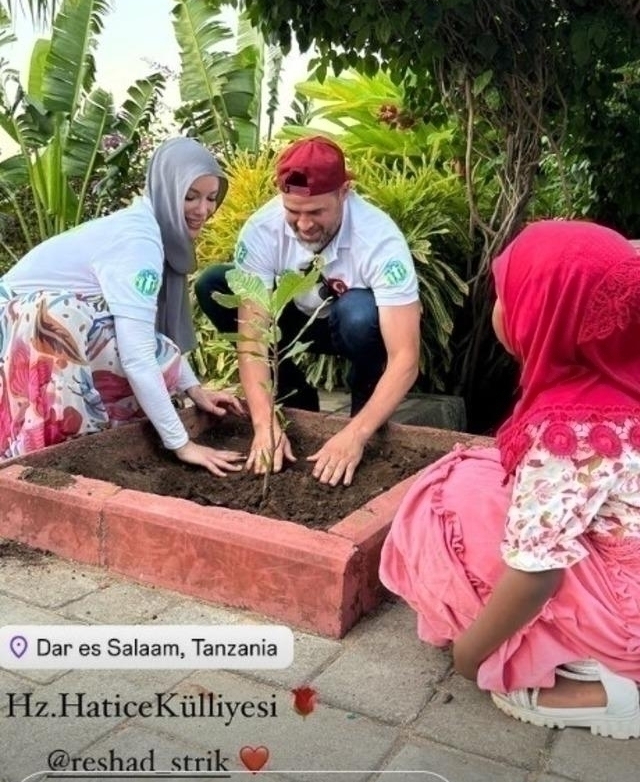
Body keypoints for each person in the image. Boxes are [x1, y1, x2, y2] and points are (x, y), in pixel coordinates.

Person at [380, 220, 640, 739]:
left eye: (509, 296)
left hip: (627, 613)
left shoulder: (572, 431)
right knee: (481, 475)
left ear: (546, 316)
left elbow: (537, 573)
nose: (499, 309)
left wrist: (468, 658)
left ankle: (596, 682)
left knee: (443, 501)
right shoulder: (621, 370)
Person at [0, 137, 245, 476]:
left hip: (28, 325)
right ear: (165, 189)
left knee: (126, 334)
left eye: (211, 198)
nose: (203, 210)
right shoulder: (139, 242)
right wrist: (182, 443)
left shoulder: (150, 228)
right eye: (190, 196)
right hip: (18, 330)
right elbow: (139, 355)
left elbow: (154, 332)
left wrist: (194, 389)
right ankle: (58, 458)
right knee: (81, 324)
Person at [195, 136, 421, 487]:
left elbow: (405, 357)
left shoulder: (380, 240)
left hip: (351, 327)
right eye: (293, 212)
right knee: (214, 282)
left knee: (359, 313)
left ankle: (364, 419)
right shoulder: (261, 230)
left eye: (316, 212)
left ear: (344, 192)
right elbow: (253, 337)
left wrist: (356, 434)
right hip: (295, 323)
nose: (303, 225)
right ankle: (297, 397)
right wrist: (263, 422)